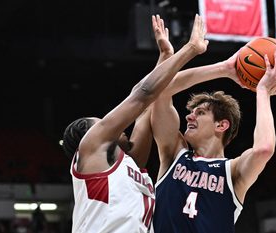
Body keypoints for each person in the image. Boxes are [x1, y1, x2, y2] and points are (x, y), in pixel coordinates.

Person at [61, 14, 208, 233]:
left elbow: (146, 109)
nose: (114, 126)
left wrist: (166, 57)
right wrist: (190, 49)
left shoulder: (125, 164)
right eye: (103, 124)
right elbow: (142, 95)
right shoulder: (91, 147)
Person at [149, 39, 276, 232]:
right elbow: (162, 89)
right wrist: (224, 68)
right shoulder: (174, 154)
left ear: (221, 125)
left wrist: (263, 92)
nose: (189, 116)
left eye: (200, 112)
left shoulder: (232, 172)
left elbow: (264, 149)